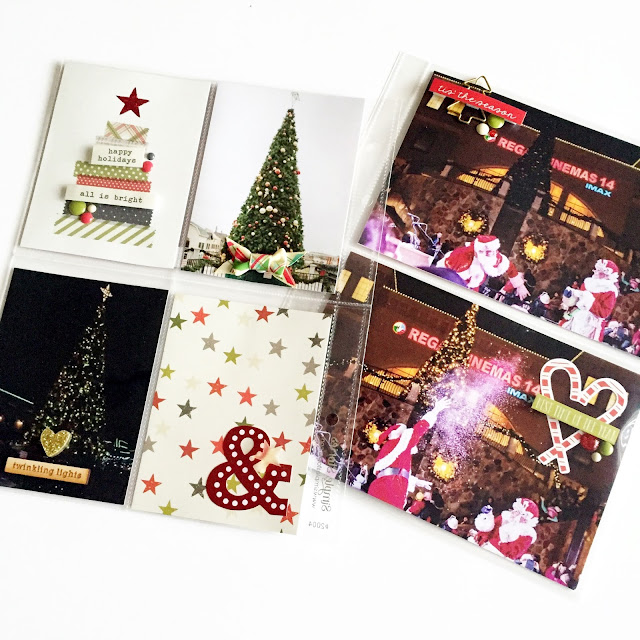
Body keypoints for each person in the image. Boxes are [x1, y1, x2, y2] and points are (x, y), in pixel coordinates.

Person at [368, 398, 451, 509]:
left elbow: (396, 472)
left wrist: (416, 481)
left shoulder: (398, 450)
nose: (405, 430)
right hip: (388, 494)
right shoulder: (399, 444)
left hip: (387, 491)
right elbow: (419, 429)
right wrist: (435, 410)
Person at [436, 235, 529, 299]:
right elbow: (442, 271)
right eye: (488, 252)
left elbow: (509, 267)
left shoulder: (495, 257)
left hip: (472, 290)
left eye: (493, 252)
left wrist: (520, 286)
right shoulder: (461, 255)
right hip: (452, 285)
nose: (491, 254)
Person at [560, 259, 620, 341]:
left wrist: (590, 301)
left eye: (600, 271)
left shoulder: (610, 291)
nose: (596, 272)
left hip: (591, 324)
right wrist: (571, 297)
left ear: (607, 275)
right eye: (597, 270)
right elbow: (579, 301)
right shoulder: (588, 283)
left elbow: (604, 313)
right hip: (577, 317)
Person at [469, 498, 539, 561]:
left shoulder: (526, 534)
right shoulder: (505, 517)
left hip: (498, 558)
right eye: (516, 510)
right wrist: (479, 537)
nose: (514, 512)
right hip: (484, 547)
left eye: (518, 512)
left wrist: (503, 541)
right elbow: (489, 530)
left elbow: (513, 554)